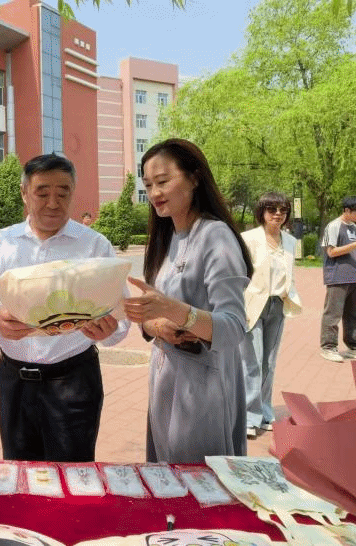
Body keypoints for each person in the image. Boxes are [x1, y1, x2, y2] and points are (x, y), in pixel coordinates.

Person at [0, 154, 128, 463]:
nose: (53, 203)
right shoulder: (2, 242)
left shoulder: (94, 246)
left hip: (73, 382)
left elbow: (119, 315)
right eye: (42, 193)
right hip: (14, 381)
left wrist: (108, 331)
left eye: (63, 193)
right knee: (19, 471)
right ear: (24, 193)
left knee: (73, 473)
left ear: (73, 192)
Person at [120, 138, 252, 464]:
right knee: (165, 478)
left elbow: (234, 326)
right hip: (165, 380)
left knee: (196, 482)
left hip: (203, 388)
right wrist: (156, 324)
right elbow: (151, 316)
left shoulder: (215, 236)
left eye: (163, 181)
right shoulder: (167, 238)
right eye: (148, 185)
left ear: (194, 178)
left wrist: (175, 311)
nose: (154, 193)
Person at [239, 193, 302, 440]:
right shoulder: (248, 239)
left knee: (269, 362)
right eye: (272, 209)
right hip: (253, 305)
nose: (278, 214)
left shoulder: (290, 241)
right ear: (262, 212)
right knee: (252, 362)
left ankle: (264, 412)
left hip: (277, 305)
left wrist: (289, 295)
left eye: (283, 210)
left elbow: (289, 273)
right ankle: (248, 416)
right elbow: (240, 273)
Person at [319, 196, 356, 363]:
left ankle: (354, 347)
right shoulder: (333, 226)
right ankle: (328, 347)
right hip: (338, 277)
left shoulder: (354, 227)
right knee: (333, 313)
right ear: (347, 210)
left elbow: (353, 249)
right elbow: (331, 252)